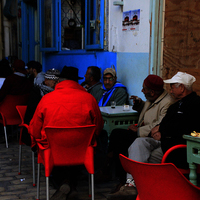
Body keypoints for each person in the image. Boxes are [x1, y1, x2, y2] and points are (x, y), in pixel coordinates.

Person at [117, 72, 200, 197]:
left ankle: (142, 189)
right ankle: (131, 184)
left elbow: (188, 128)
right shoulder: (176, 105)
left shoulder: (196, 104)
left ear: (182, 88)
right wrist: (160, 129)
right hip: (164, 143)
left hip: (177, 148)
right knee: (139, 143)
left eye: (172, 87)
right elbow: (165, 123)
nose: (170, 91)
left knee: (143, 159)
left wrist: (163, 131)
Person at [28, 66, 104, 200]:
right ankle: (70, 184)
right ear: (76, 82)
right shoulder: (88, 99)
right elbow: (98, 126)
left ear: (59, 81)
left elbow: (34, 129)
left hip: (53, 151)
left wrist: (37, 143)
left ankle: (65, 184)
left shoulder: (46, 99)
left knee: (60, 149)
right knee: (81, 146)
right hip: (81, 150)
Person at [104, 74, 174, 194]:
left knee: (121, 141)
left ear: (152, 92)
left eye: (144, 89)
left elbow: (160, 124)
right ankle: (110, 166)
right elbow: (148, 110)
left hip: (150, 136)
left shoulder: (167, 103)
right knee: (116, 134)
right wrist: (139, 104)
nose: (142, 91)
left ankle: (121, 178)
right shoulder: (153, 98)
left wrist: (139, 130)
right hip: (142, 132)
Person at [21, 68, 60, 146]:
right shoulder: (36, 92)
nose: (56, 85)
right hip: (37, 126)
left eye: (58, 82)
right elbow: (36, 113)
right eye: (54, 82)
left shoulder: (59, 93)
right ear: (46, 81)